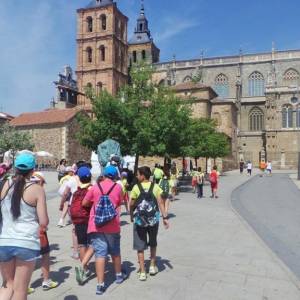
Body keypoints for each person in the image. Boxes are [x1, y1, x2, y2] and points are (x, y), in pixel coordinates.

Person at [0, 153, 49, 300]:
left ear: (15, 168)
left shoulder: (5, 184)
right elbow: (44, 222)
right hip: (26, 242)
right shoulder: (36, 189)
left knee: (7, 284)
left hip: (4, 240)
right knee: (21, 290)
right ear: (33, 170)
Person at [78, 166, 127, 295]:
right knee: (115, 251)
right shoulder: (118, 188)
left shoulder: (95, 187)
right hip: (113, 225)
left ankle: (100, 284)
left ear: (104, 175)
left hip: (96, 224)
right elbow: (119, 202)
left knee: (100, 253)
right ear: (115, 176)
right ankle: (118, 275)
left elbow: (84, 203)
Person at [130, 166, 169, 281]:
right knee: (153, 242)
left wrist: (132, 215)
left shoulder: (136, 188)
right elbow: (161, 202)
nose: (137, 176)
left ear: (142, 175)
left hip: (140, 221)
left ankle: (142, 272)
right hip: (153, 220)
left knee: (140, 246)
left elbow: (131, 203)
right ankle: (152, 266)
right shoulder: (156, 187)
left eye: (138, 174)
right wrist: (165, 217)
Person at [28, 172, 58, 294]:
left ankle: (24, 284)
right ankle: (46, 281)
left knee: (27, 258)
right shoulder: (39, 192)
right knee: (45, 255)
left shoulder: (21, 190)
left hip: (23, 230)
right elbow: (43, 219)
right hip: (38, 229)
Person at [70, 167, 93, 280]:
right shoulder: (91, 189)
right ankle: (83, 266)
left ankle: (85, 269)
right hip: (88, 219)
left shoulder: (76, 191)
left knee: (82, 244)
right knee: (95, 244)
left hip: (77, 220)